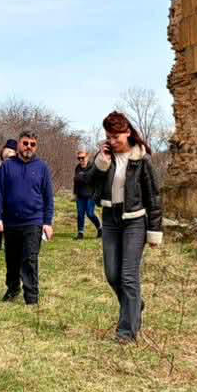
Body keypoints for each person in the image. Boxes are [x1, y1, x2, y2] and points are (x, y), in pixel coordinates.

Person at [88, 111, 163, 344]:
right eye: (108, 136)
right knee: (112, 274)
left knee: (129, 276)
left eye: (116, 136)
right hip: (110, 219)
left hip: (134, 221)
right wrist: (101, 163)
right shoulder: (104, 157)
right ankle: (135, 304)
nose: (112, 141)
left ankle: (126, 332)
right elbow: (87, 184)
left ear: (128, 132)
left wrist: (154, 230)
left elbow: (154, 197)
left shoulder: (142, 159)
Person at [0, 130, 54, 305]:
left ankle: (31, 297)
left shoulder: (42, 168)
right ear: (19, 144)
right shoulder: (7, 166)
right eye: (25, 143)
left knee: (29, 259)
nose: (28, 147)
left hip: (33, 221)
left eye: (32, 144)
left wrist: (48, 223)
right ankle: (12, 289)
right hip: (10, 221)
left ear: (36, 146)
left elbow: (48, 197)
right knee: (12, 259)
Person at [73, 150, 102, 239]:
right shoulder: (77, 168)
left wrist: (97, 194)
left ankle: (100, 228)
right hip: (80, 195)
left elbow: (92, 181)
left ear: (87, 157)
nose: (81, 160)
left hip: (91, 195)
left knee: (90, 213)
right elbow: (76, 181)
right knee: (80, 214)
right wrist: (75, 193)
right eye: (79, 158)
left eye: (83, 158)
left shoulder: (92, 167)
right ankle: (80, 233)